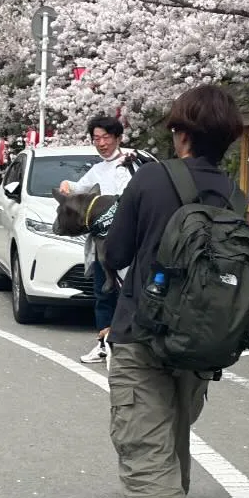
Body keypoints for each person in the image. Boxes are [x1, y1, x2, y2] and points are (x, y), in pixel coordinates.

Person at [102, 83, 246, 498]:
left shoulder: (151, 180)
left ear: (180, 131)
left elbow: (115, 251)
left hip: (144, 332)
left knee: (144, 444)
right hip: (202, 341)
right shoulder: (234, 195)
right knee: (172, 434)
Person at [58, 116, 142, 365]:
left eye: (106, 138)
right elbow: (81, 189)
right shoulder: (97, 170)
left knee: (128, 290)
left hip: (128, 242)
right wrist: (67, 186)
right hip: (101, 244)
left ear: (118, 138)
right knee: (103, 291)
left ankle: (129, 343)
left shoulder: (131, 163)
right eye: (97, 139)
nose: (102, 143)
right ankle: (104, 342)